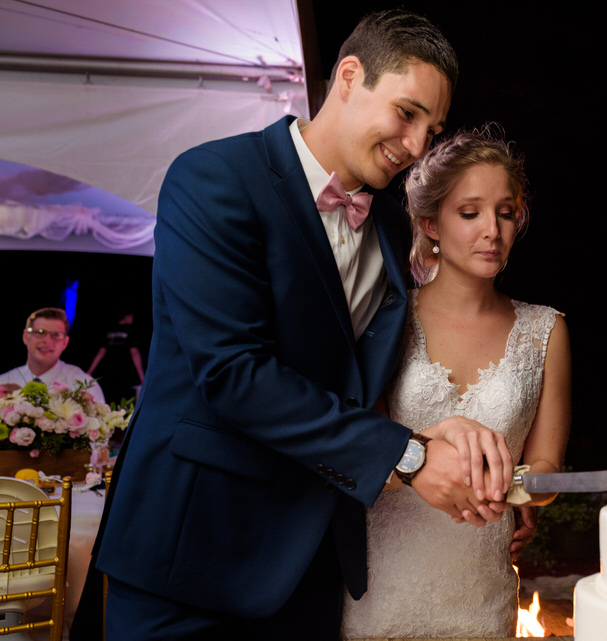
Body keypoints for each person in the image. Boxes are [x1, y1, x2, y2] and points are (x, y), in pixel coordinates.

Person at [90, 10, 514, 640]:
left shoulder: (392, 228)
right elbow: (233, 375)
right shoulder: (212, 179)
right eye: (407, 113)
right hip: (190, 559)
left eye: (434, 126)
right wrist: (406, 453)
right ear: (349, 76)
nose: (421, 144)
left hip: (312, 572)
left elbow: (340, 379)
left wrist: (429, 425)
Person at [341, 128, 572, 638]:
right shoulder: (383, 321)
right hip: (383, 587)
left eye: (506, 213)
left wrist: (522, 495)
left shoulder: (546, 331)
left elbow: (548, 468)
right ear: (431, 223)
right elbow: (357, 443)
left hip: (480, 594)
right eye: (470, 213)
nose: (492, 230)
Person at [0, 307, 105, 403]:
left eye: (56, 335)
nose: (47, 341)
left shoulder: (83, 387)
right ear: (25, 336)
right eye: (40, 332)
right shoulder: (4, 382)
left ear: (65, 342)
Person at [86, 308, 145, 404]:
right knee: (122, 402)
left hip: (109, 372)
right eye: (132, 317)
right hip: (124, 374)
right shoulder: (130, 330)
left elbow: (101, 352)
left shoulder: (110, 329)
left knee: (110, 400)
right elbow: (134, 353)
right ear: (127, 316)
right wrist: (142, 377)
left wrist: (90, 371)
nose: (132, 319)